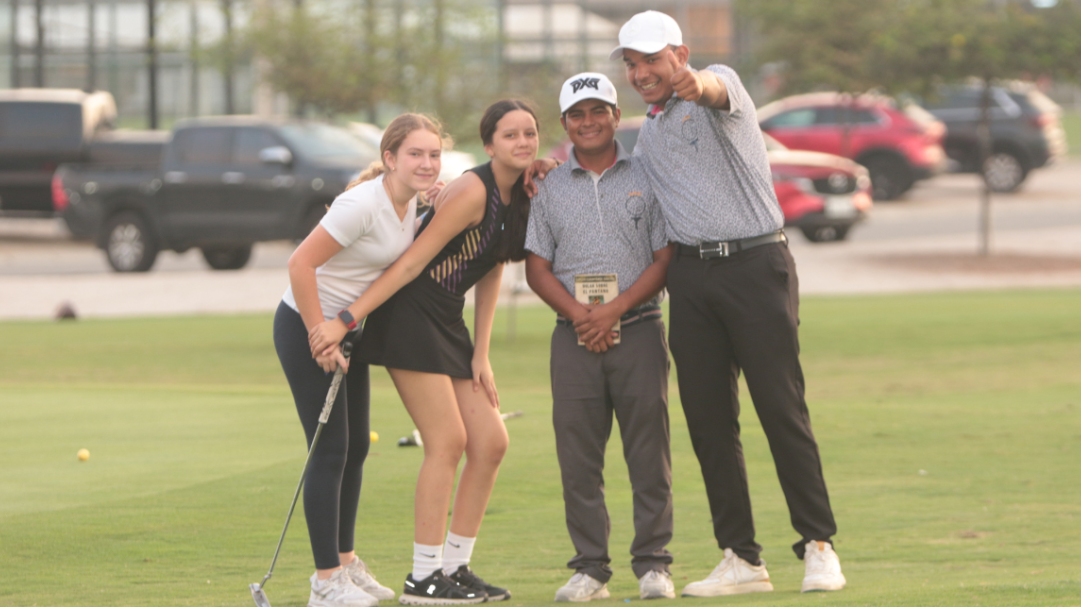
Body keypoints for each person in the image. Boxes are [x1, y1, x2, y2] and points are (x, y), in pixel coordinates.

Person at [610, 10, 847, 595]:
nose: (641, 73)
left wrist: (699, 84)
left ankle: (818, 545)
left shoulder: (720, 84)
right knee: (710, 421)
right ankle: (741, 557)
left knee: (779, 408)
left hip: (753, 264)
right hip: (690, 278)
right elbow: (623, 185)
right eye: (632, 64)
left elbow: (715, 91)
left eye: (652, 60)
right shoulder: (651, 132)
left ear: (680, 54)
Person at [307, 99, 543, 605]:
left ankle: (455, 568)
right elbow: (410, 264)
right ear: (488, 144)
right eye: (510, 135)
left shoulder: (519, 194)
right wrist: (348, 318)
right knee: (448, 441)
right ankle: (423, 577)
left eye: (530, 133)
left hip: (447, 320)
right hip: (410, 316)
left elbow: (494, 266)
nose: (522, 142)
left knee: (492, 441)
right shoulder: (472, 189)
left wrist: (482, 353)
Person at [273, 113, 448, 607]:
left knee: (355, 450)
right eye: (415, 154)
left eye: (433, 154)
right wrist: (319, 335)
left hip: (347, 331)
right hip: (307, 327)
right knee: (329, 451)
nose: (427, 163)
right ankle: (324, 581)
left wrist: (340, 332)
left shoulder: (411, 201)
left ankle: (345, 562)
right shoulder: (362, 204)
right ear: (390, 158)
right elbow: (299, 264)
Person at [524, 73, 676, 602]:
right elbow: (537, 268)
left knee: (648, 453)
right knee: (579, 458)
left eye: (598, 111)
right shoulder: (547, 185)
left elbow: (664, 260)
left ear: (616, 115)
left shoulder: (647, 176)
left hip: (638, 329)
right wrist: (583, 317)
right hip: (573, 338)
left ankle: (654, 565)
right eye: (576, 115)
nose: (588, 122)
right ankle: (590, 569)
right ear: (564, 124)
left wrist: (612, 310)